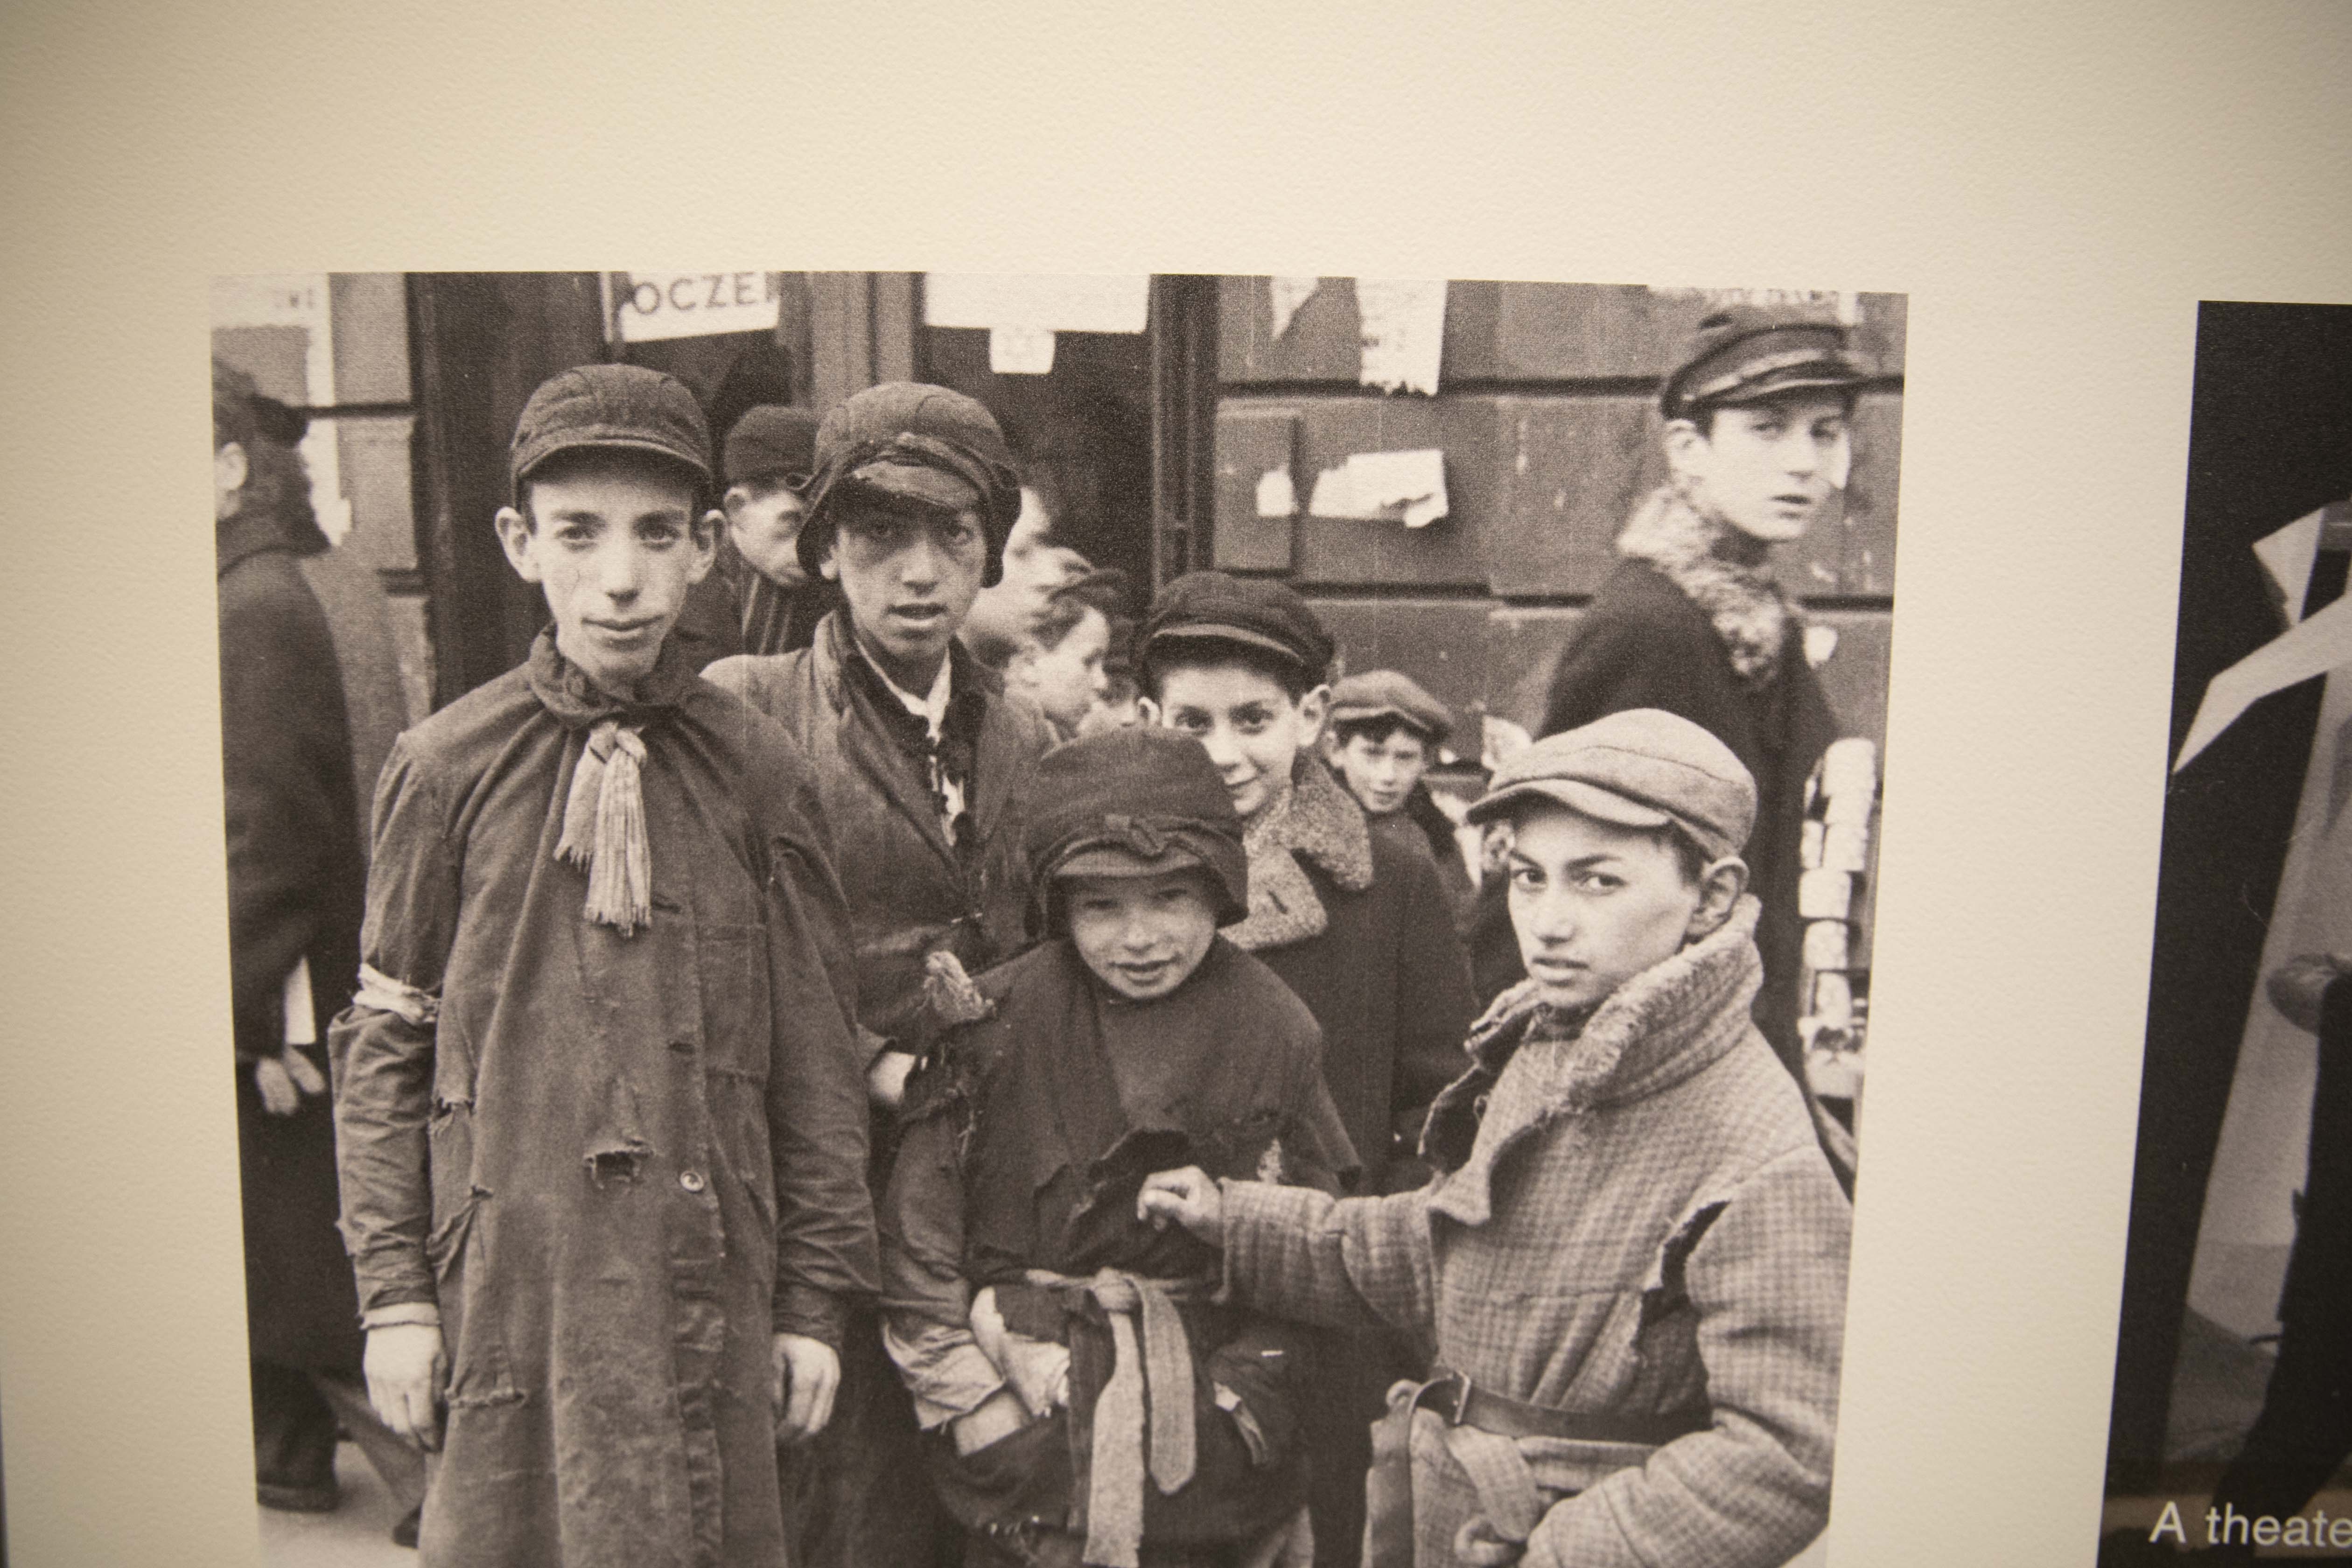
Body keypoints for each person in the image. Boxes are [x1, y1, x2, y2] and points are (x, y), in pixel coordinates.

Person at [330, 364, 877, 1568]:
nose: (621, 579)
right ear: (522, 543)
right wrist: (396, 1300)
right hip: (521, 1297)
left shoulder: (761, 774)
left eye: (658, 535)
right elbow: (387, 1044)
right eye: (580, 534)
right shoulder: (445, 768)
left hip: (711, 1283)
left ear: (708, 552)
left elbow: (819, 1066)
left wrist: (813, 1307)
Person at [1139, 710, 1852, 1568]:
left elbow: (1791, 1454)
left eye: (1597, 883)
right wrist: (1240, 1223)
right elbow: (1451, 1257)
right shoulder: (1564, 1050)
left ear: (1713, 896)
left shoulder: (1754, 1145)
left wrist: (1560, 1553)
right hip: (1463, 1516)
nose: (1547, 922)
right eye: (1528, 878)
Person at [705, 381, 1060, 1568]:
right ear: (823, 552)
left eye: (952, 537)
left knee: (990, 1491)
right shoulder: (746, 719)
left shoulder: (1024, 738)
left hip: (981, 1193)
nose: (918, 573)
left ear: (989, 552)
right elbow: (720, 966)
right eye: (879, 536)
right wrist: (873, 1065)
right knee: (845, 1509)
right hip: (816, 1190)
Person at [880, 727, 1359, 1568]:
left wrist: (1243, 1402)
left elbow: (1319, 1254)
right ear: (1060, 908)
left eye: (1172, 899)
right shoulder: (990, 1027)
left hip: (1212, 1439)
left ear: (1222, 891)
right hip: (1025, 1409)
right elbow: (917, 1246)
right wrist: (976, 1407)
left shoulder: (1276, 1030)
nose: (1140, 939)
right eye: (1102, 906)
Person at [1135, 571, 1477, 1568]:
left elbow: (1443, 1089)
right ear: (1148, 716)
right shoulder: (1107, 878)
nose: (1223, 752)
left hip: (1329, 1297)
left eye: (1254, 718)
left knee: (1324, 1526)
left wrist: (1385, 1250)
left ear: (1313, 714)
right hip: (1158, 1279)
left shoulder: (1391, 874)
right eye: (1191, 721)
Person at [1520, 303, 1869, 1182]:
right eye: (1767, 429)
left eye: (1825, 432)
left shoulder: (1755, 621)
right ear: (1686, 449)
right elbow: (1573, 865)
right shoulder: (1653, 628)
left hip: (1739, 1051)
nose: (1806, 462)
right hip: (1664, 1086)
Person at [215, 359, 377, 1521]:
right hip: (284, 991)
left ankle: (437, 1487)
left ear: (228, 471)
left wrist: (239, 1013)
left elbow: (271, 833)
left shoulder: (252, 604)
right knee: (285, 1254)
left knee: (303, 1267)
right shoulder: (272, 586)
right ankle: (286, 1452)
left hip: (280, 1000)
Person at [670, 402, 835, 667]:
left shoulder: (842, 604)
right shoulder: (674, 598)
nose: (812, 547)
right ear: (737, 508)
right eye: (793, 522)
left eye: (823, 525)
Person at [1323, 670, 1477, 926]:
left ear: (1426, 761)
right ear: (1336, 751)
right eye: (1372, 754)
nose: (1388, 776)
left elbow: (1461, 924)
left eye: (1405, 757)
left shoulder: (1434, 835)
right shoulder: (1306, 825)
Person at [1006, 567, 1133, 741]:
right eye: (1089, 662)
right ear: (1031, 662)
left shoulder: (1049, 738)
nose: (1102, 683)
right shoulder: (1003, 740)